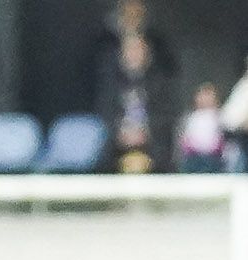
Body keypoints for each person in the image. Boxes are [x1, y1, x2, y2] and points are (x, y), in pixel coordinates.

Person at [98, 34, 175, 171]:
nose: (133, 55)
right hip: (118, 143)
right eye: (129, 50)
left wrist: (145, 132)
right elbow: (105, 112)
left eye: (138, 50)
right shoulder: (112, 84)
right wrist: (121, 133)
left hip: (152, 142)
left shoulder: (160, 83)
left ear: (147, 54)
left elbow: (167, 115)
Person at [177, 85, 228, 172]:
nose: (205, 99)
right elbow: (183, 137)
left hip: (213, 157)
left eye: (208, 96)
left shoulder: (220, 116)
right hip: (193, 157)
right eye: (202, 96)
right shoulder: (191, 117)